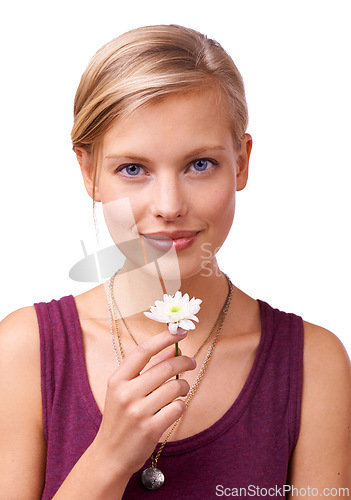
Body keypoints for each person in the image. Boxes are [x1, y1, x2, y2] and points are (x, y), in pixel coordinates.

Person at [0, 24, 350, 499]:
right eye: (133, 169)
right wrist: (108, 458)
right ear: (88, 171)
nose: (168, 205)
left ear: (242, 162)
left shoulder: (314, 364)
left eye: (199, 164)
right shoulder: (23, 352)